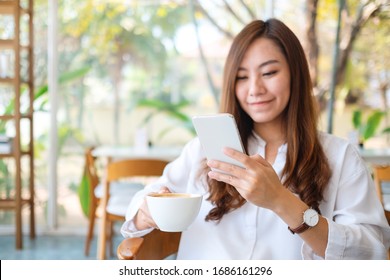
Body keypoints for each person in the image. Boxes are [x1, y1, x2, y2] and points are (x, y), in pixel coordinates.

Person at [121, 18, 390, 259]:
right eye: (241, 77)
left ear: (295, 74)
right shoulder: (203, 151)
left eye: (269, 73)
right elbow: (145, 202)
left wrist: (281, 201)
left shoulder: (339, 156)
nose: (254, 89)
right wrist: (147, 211)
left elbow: (372, 251)